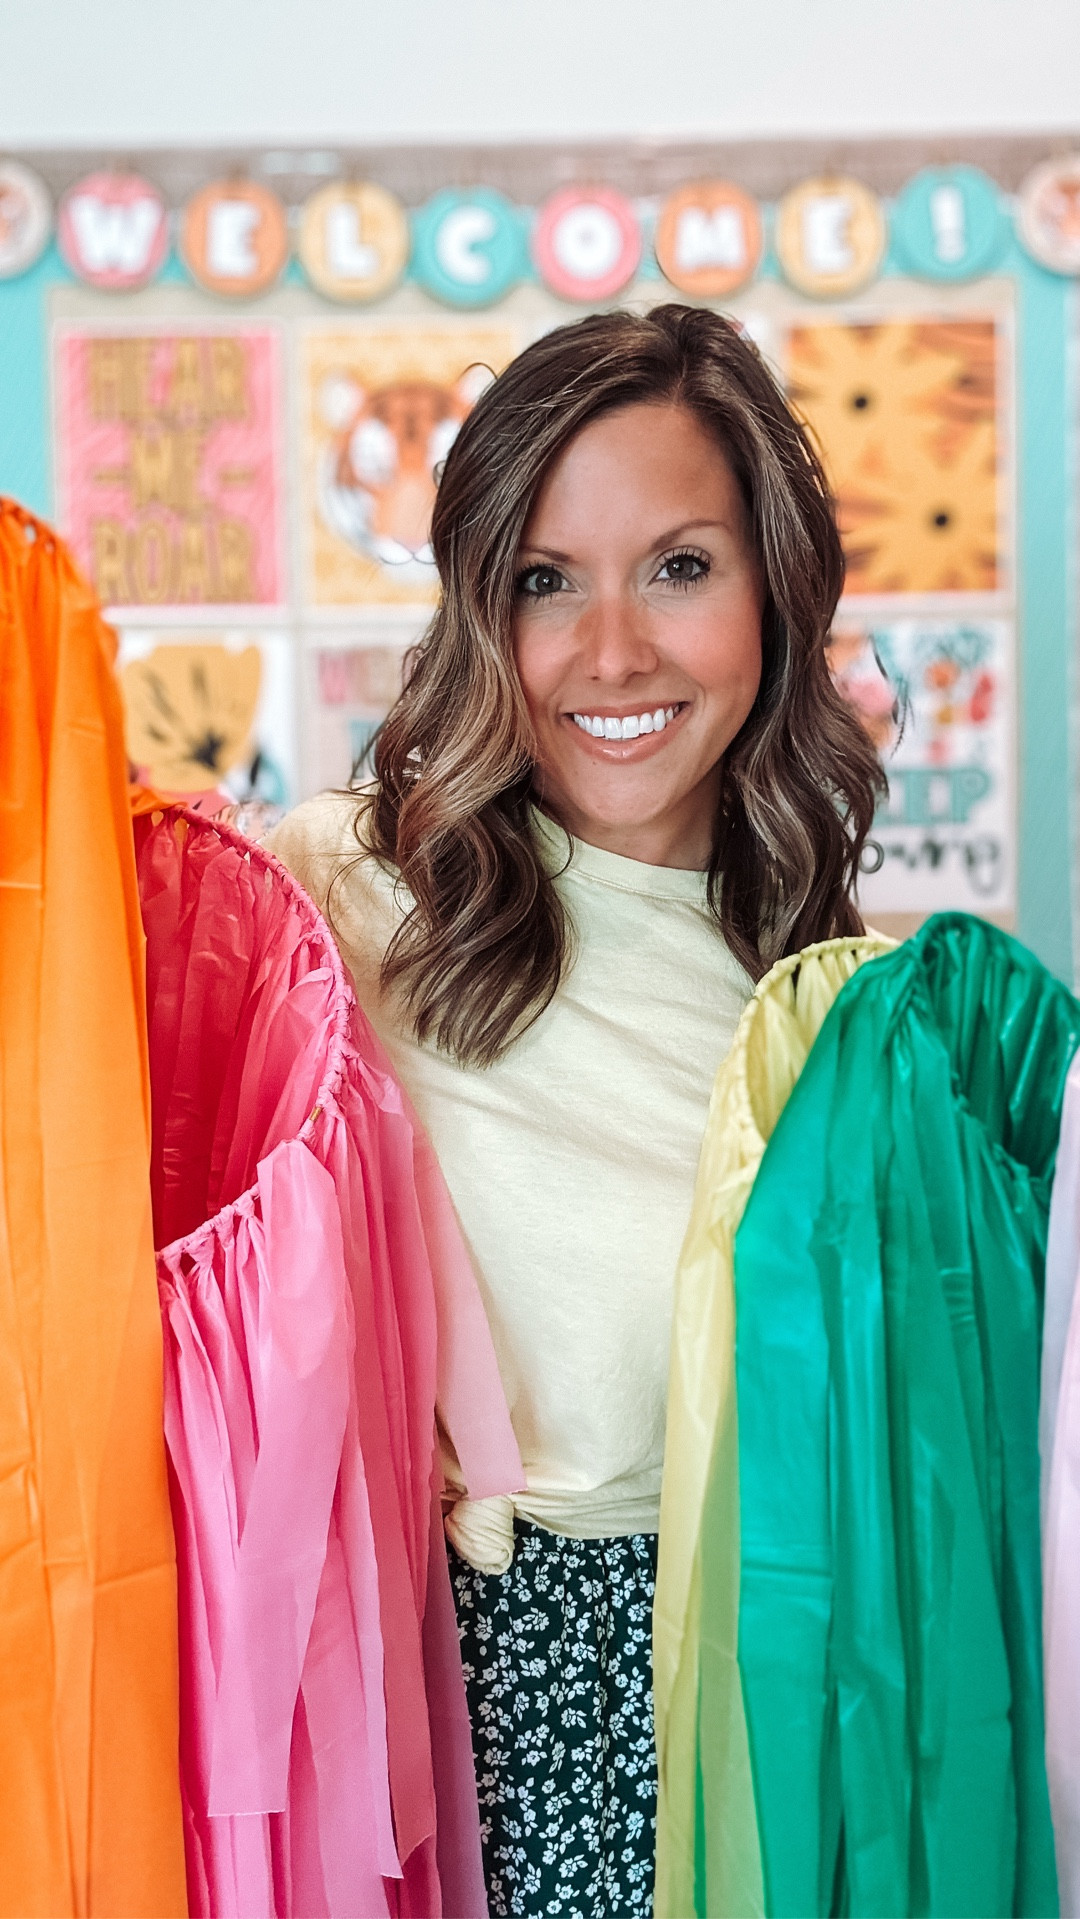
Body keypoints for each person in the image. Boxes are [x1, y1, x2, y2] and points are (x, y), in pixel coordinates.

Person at [267, 303, 883, 1919]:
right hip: (360, 1718)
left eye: (679, 565)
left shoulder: (841, 1019)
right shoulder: (334, 895)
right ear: (484, 611)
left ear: (776, 586)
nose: (612, 651)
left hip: (703, 1748)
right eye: (547, 580)